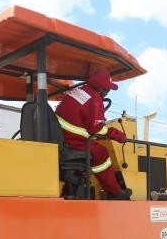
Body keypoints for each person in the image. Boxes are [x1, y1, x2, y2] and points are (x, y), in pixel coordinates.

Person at [54, 69, 132, 199]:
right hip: (73, 141)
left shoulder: (78, 91)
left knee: (91, 151)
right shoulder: (96, 101)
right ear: (99, 87)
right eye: (106, 89)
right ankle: (114, 192)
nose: (107, 92)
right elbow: (96, 129)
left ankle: (71, 187)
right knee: (101, 153)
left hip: (61, 136)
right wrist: (118, 135)